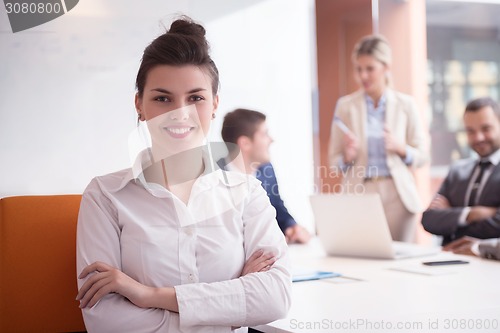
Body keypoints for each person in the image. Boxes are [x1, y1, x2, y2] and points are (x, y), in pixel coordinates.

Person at [75, 17, 291, 333]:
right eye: (163, 98)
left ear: (215, 103)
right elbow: (106, 322)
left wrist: (148, 295)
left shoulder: (247, 193)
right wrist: (232, 304)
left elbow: (275, 298)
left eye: (196, 98)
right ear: (140, 104)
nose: (180, 113)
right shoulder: (105, 196)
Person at [328, 34, 428, 242]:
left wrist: (402, 149)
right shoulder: (346, 106)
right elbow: (333, 161)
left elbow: (423, 155)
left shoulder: (406, 105)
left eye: (370, 68)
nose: (363, 75)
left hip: (397, 194)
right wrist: (347, 157)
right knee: (363, 257)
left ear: (385, 67)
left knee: (400, 259)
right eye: (358, 69)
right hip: (360, 192)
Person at [219, 108, 310, 244]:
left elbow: (277, 208)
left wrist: (292, 227)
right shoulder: (212, 176)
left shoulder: (266, 170)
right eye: (265, 134)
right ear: (245, 143)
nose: (271, 140)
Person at [422, 97, 500, 245]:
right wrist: (471, 214)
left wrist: (451, 217)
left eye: (486, 129)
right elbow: (428, 219)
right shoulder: (457, 171)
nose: (478, 137)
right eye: (470, 131)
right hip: (449, 260)